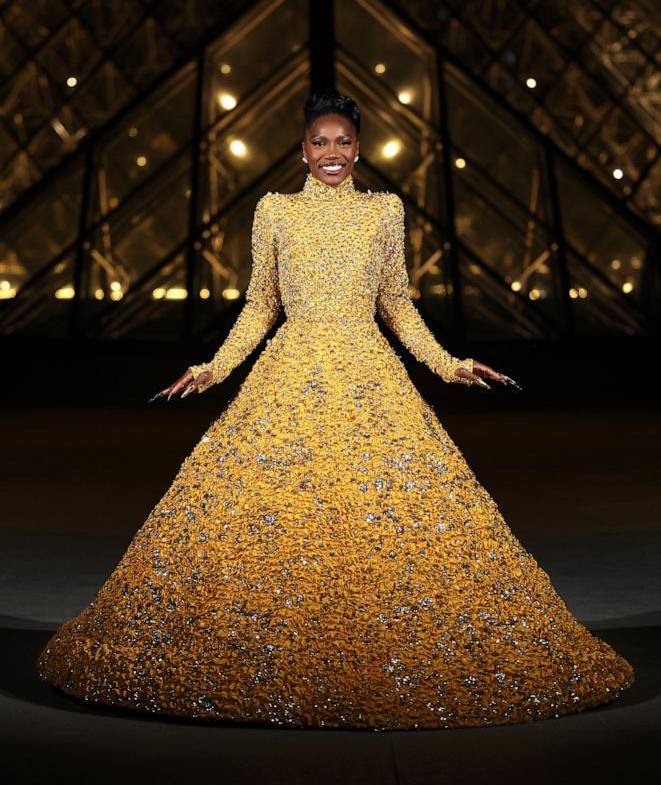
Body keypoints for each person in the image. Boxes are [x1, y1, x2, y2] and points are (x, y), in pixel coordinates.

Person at [37, 90, 634, 729]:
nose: (331, 153)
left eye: (342, 142)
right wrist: (212, 370)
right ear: (301, 149)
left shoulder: (384, 212)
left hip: (371, 379)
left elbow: (397, 303)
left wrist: (446, 363)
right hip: (287, 375)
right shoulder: (275, 211)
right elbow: (260, 306)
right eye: (319, 142)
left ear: (358, 148)